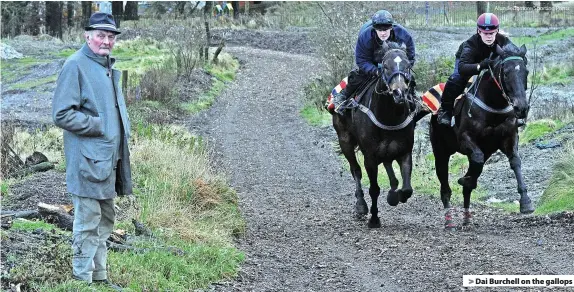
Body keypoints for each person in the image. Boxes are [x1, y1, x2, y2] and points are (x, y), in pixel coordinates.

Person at [52, 12, 131, 290]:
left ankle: (99, 277)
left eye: (110, 36)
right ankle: (81, 280)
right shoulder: (75, 65)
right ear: (87, 36)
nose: (106, 41)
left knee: (105, 220)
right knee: (87, 223)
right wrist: (99, 124)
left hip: (107, 161)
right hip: (87, 162)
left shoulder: (104, 65)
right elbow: (61, 114)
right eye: (100, 35)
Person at [436, 13, 517, 126]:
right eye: (485, 33)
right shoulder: (470, 44)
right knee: (455, 79)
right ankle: (445, 111)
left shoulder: (503, 40)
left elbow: (516, 56)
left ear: (497, 31)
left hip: (490, 62)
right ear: (479, 31)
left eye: (492, 33)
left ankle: (517, 111)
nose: (489, 36)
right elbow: (462, 68)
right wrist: (480, 66)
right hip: (468, 62)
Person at [332, 9, 416, 114]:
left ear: (391, 27)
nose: (383, 33)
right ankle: (343, 97)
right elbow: (361, 60)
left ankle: (415, 101)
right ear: (374, 28)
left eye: (386, 29)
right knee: (357, 76)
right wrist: (375, 71)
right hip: (373, 62)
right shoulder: (365, 37)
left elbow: (410, 57)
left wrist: (403, 69)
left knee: (409, 79)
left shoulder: (403, 35)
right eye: (379, 30)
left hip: (395, 66)